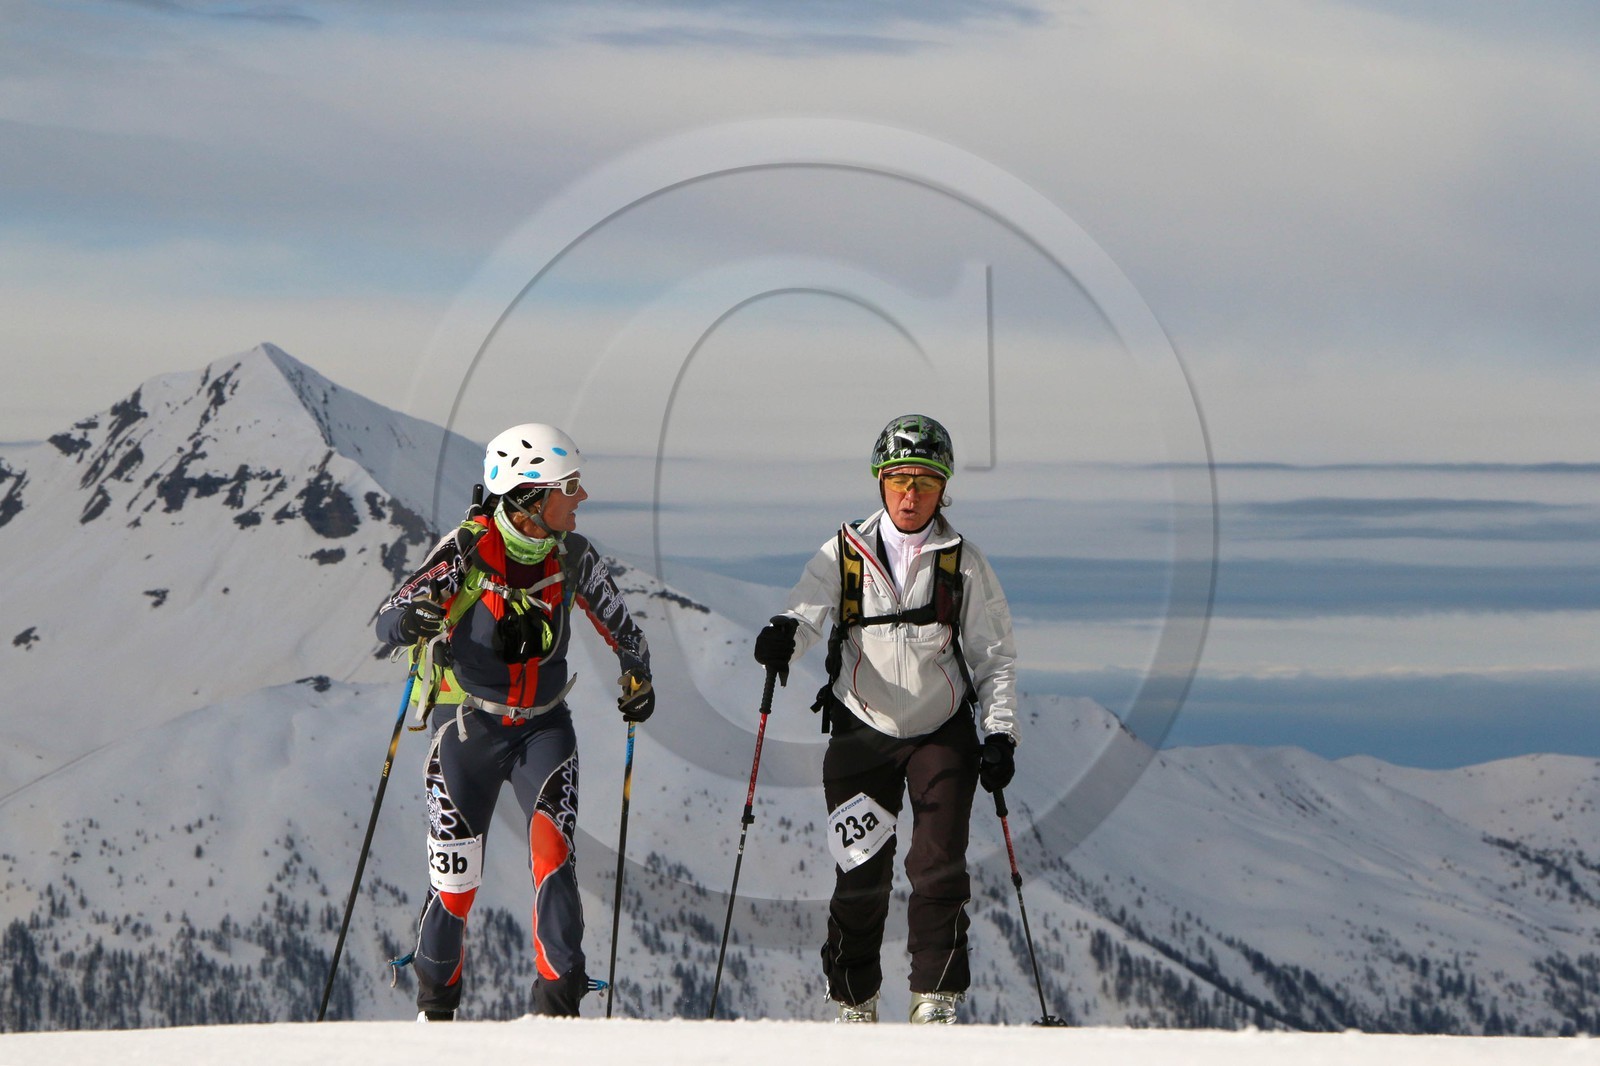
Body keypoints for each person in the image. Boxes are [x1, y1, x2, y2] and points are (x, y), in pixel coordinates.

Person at [375, 423, 653, 1021]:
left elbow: (628, 633)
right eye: (569, 487)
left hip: (543, 729)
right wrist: (413, 619)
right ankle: (435, 1013)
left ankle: (558, 1014)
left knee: (555, 859)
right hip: (466, 728)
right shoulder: (465, 550)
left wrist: (638, 675)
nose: (582, 497)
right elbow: (388, 616)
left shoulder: (574, 555)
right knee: (455, 884)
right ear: (530, 495)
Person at [753, 413, 1018, 1025]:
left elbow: (994, 657)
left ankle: (935, 1000)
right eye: (899, 478)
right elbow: (806, 610)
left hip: (941, 731)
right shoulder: (844, 552)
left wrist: (1000, 732)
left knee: (938, 866)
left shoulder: (964, 562)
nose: (910, 494)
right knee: (860, 871)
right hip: (861, 728)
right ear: (880, 480)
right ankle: (855, 1000)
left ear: (943, 488)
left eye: (925, 481)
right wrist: (784, 635)